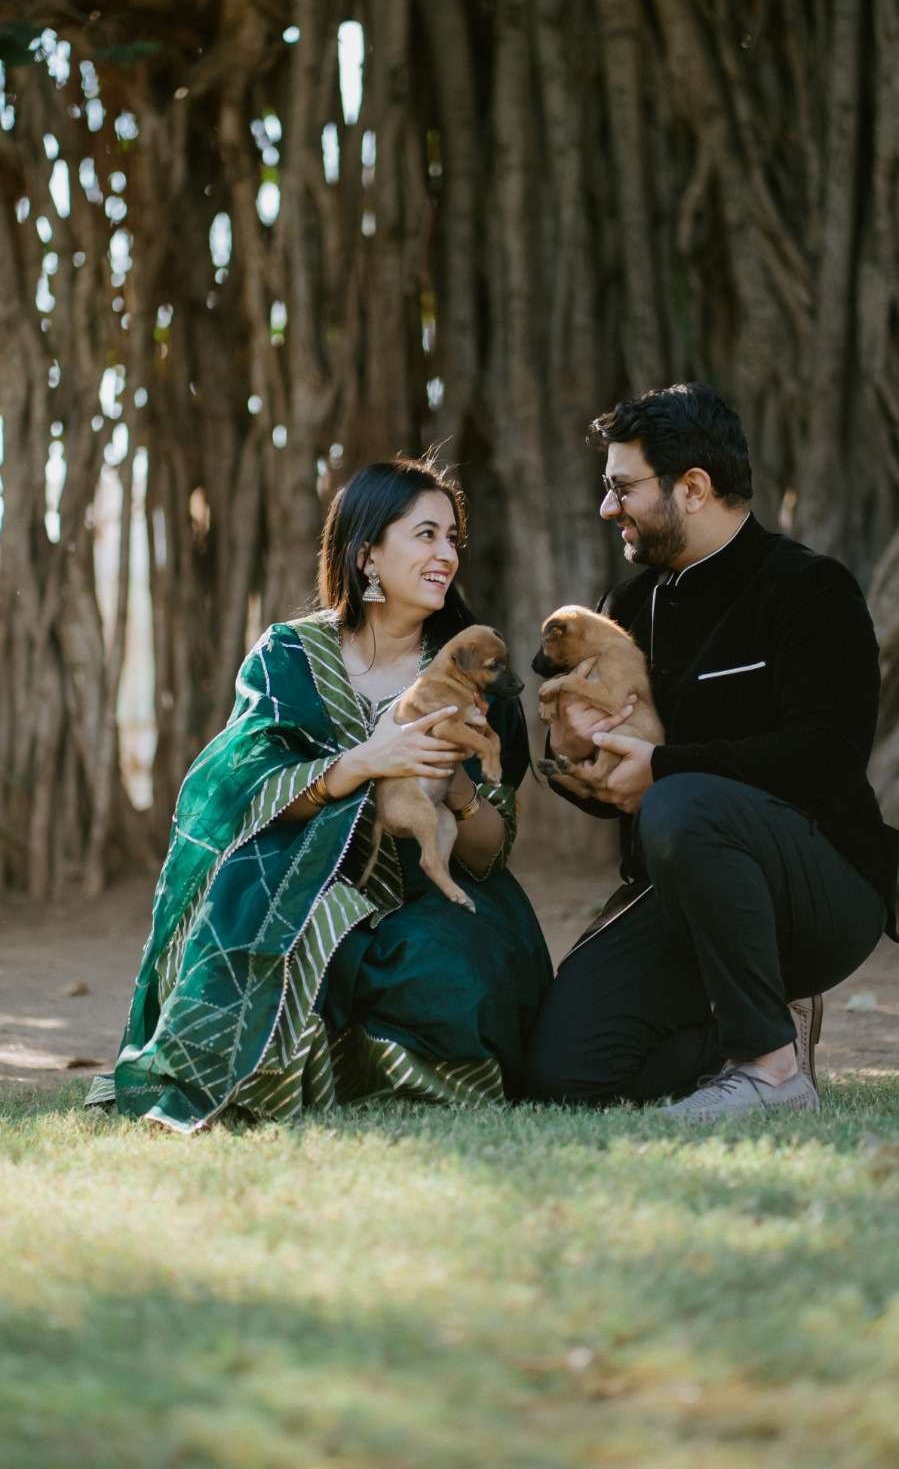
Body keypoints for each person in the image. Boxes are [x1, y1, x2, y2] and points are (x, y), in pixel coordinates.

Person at [88, 457, 551, 1132]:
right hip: (300, 877)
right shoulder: (288, 657)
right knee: (275, 923)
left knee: (449, 970)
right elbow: (241, 786)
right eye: (425, 535)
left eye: (453, 538)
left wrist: (452, 784)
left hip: (432, 888)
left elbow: (488, 853)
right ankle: (238, 1082)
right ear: (367, 554)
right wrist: (363, 764)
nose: (447, 555)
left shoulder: (475, 672)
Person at [523, 382, 898, 1123]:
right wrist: (571, 754)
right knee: (561, 1074)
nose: (606, 508)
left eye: (622, 488)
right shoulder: (626, 608)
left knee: (681, 798)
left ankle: (770, 1071)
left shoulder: (810, 588)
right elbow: (611, 779)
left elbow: (827, 754)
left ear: (692, 488)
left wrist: (663, 770)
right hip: (680, 890)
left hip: (820, 889)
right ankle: (760, 1026)